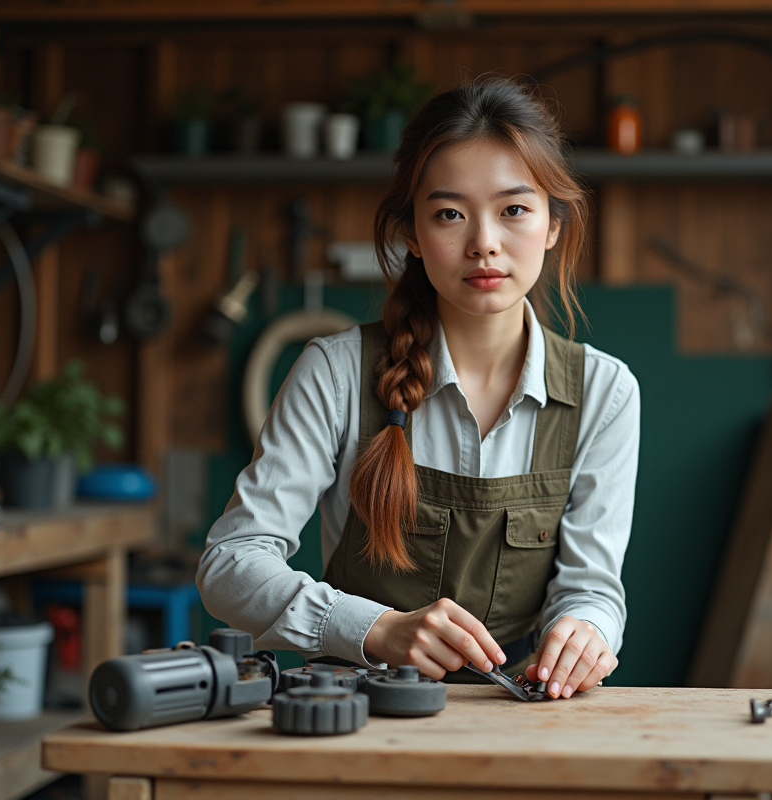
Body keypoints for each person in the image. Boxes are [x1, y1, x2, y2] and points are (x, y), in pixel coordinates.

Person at [198, 77, 639, 700]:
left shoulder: (605, 392)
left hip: (516, 713)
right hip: (357, 711)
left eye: (514, 209)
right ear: (411, 232)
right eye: (450, 213)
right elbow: (231, 563)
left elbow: (592, 586)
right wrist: (375, 629)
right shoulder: (335, 371)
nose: (484, 241)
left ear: (553, 226)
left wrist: (587, 630)